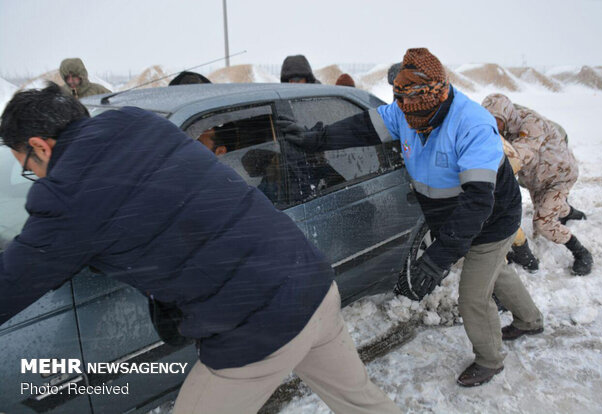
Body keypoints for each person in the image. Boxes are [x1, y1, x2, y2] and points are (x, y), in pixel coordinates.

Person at [0, 83, 401, 414]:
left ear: (41, 145)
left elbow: (13, 280)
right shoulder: (136, 121)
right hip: (310, 282)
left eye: (26, 166)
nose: (33, 176)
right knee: (360, 403)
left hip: (257, 323)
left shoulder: (67, 195)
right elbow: (156, 201)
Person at [278, 48, 544, 387]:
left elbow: (478, 203)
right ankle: (530, 319)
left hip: (492, 218)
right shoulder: (406, 108)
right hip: (452, 220)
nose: (412, 126)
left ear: (440, 96)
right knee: (495, 271)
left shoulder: (473, 125)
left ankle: (490, 359)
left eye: (421, 120)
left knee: (474, 297)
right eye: (406, 118)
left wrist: (437, 259)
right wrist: (317, 138)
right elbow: (362, 128)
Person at [482, 94, 592, 276]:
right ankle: (568, 212)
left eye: (497, 120)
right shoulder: (503, 131)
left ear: (506, 115)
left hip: (558, 177)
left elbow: (520, 155)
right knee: (549, 206)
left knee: (543, 222)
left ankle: (580, 252)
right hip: (537, 181)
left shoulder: (530, 122)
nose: (494, 125)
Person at [501, 137, 540, 272]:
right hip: (508, 160)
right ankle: (525, 257)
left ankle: (498, 276)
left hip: (500, 165)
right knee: (503, 216)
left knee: (492, 220)